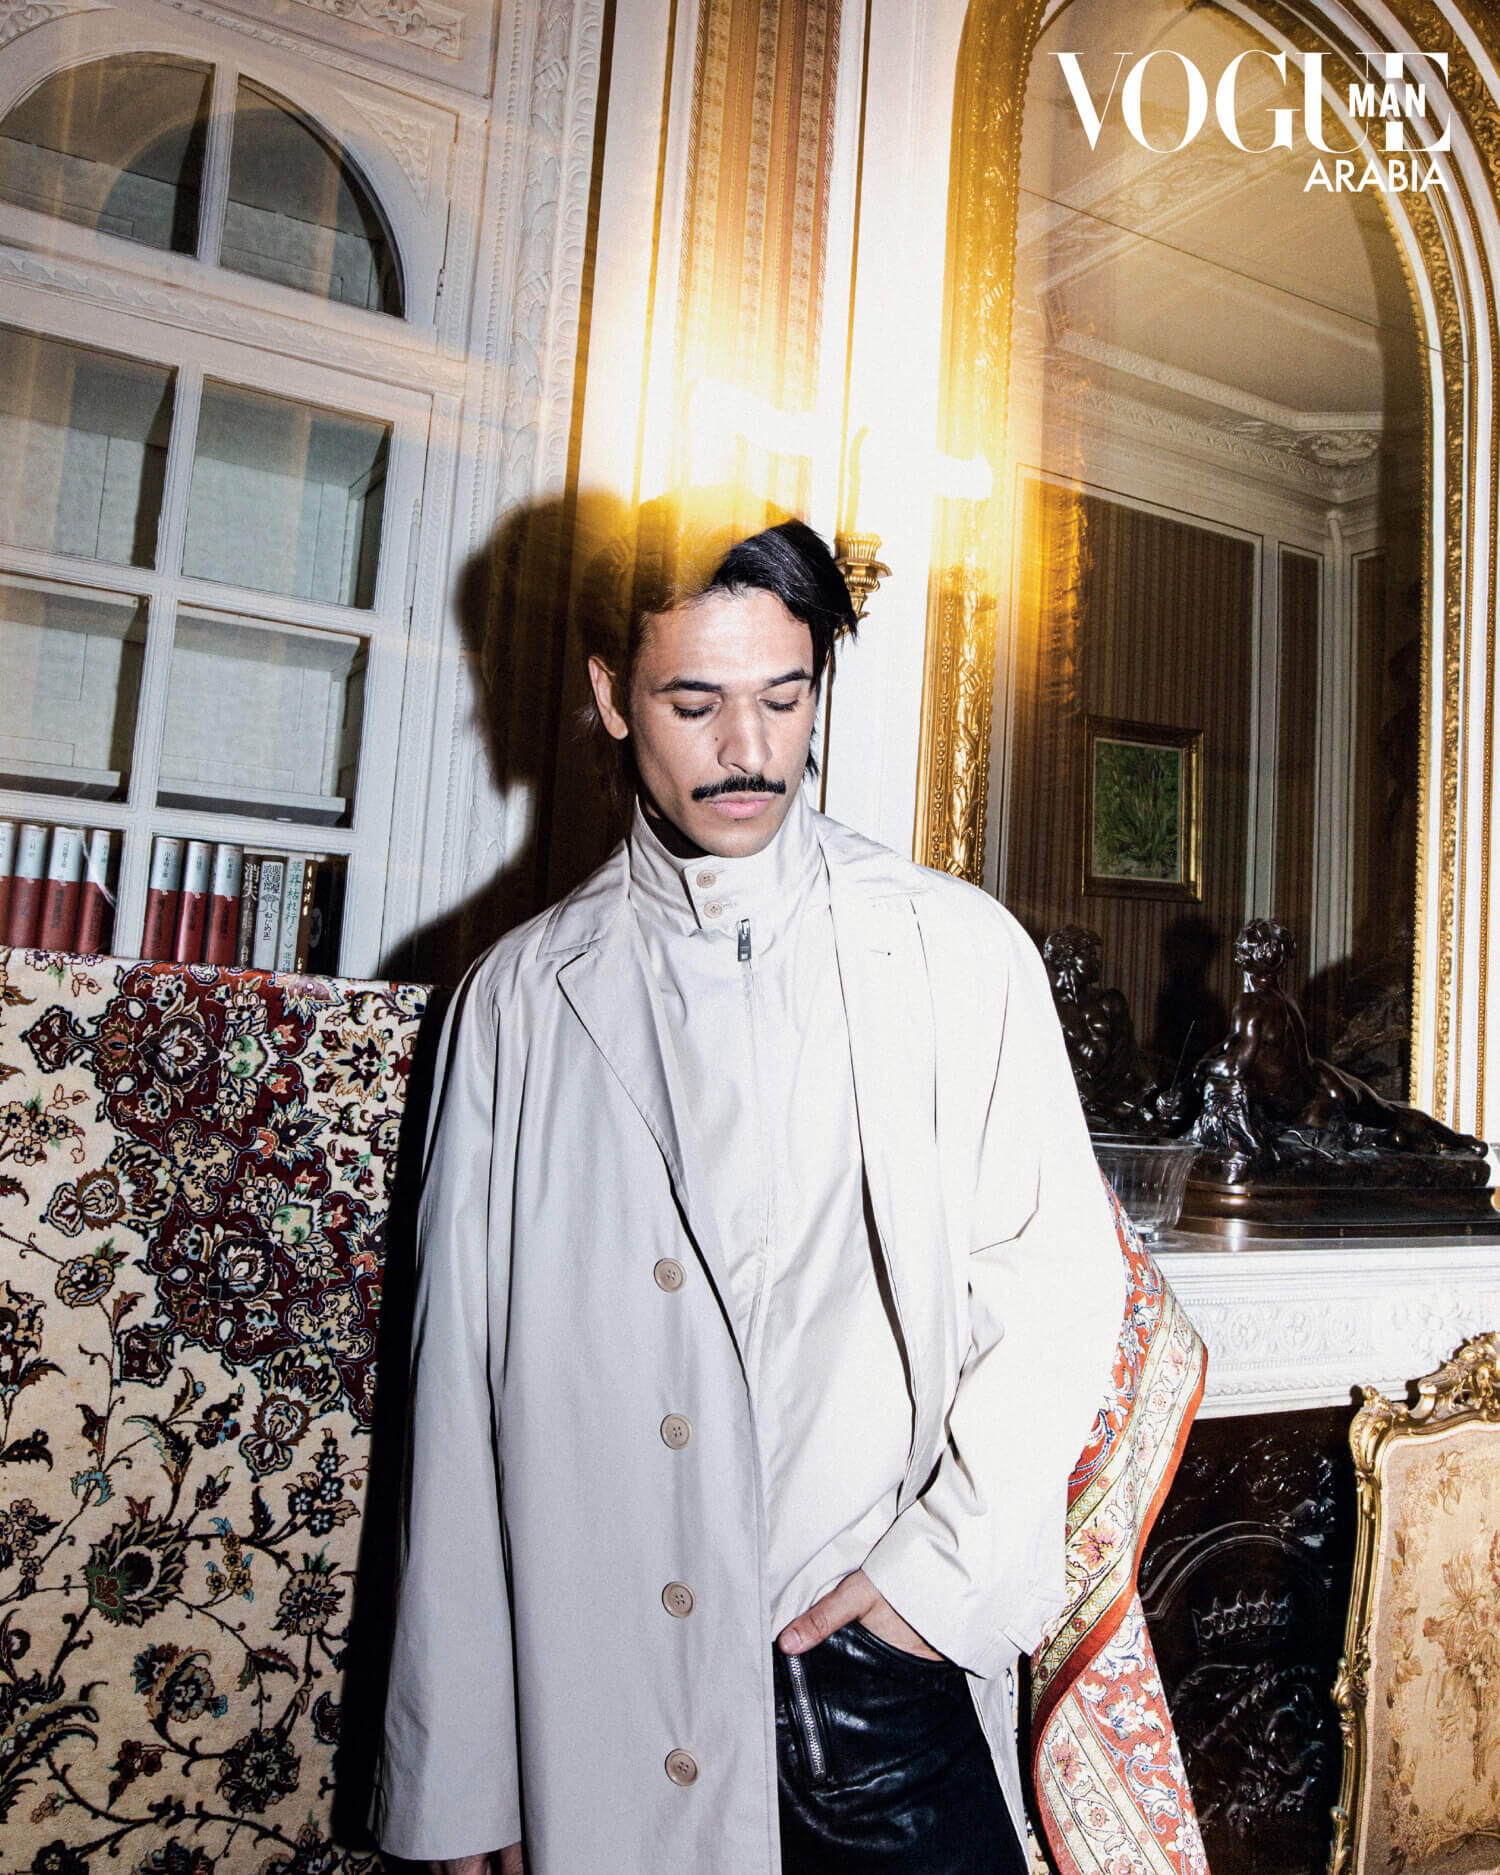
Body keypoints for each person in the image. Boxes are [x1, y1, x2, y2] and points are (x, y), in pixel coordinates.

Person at [373, 514, 1126, 1875]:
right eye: (695, 702)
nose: (750, 750)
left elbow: (1061, 1292)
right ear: (612, 695)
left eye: (786, 698)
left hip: (876, 1694)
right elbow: (456, 1396)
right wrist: (462, 1776)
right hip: (600, 1706)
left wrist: (928, 1592)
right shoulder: (514, 1001)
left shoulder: (957, 954)